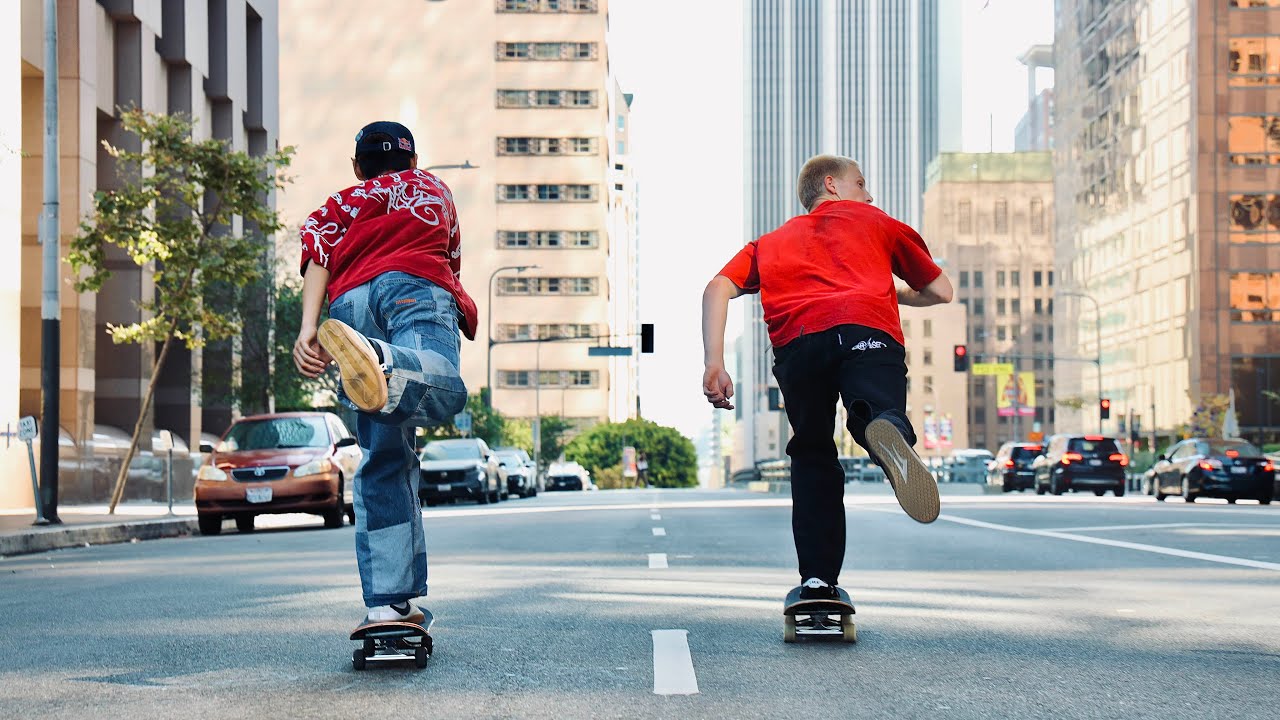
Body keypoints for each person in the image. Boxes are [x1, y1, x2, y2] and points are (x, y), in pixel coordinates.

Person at [700, 154, 954, 602]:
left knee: (813, 451)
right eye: (861, 183)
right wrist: (883, 289)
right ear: (832, 185)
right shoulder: (876, 222)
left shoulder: (770, 242)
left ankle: (817, 580)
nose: (869, 194)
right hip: (865, 329)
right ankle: (883, 428)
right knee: (875, 407)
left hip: (799, 345)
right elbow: (940, 291)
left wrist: (714, 363)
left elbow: (717, 286)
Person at [292, 121, 476, 625]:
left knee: (381, 461)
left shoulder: (338, 205)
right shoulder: (433, 188)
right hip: (413, 286)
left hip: (348, 304)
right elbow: (450, 258)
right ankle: (381, 358)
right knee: (443, 388)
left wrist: (309, 329)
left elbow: (317, 259)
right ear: (413, 162)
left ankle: (387, 606)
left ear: (357, 169)